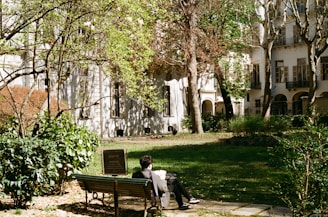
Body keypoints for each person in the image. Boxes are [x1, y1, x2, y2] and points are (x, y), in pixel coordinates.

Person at [132, 155, 200, 210]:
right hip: (155, 194)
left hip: (145, 193)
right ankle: (188, 199)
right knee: (174, 182)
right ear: (150, 165)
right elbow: (160, 188)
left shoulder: (136, 175)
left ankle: (184, 202)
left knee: (173, 181)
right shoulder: (152, 175)